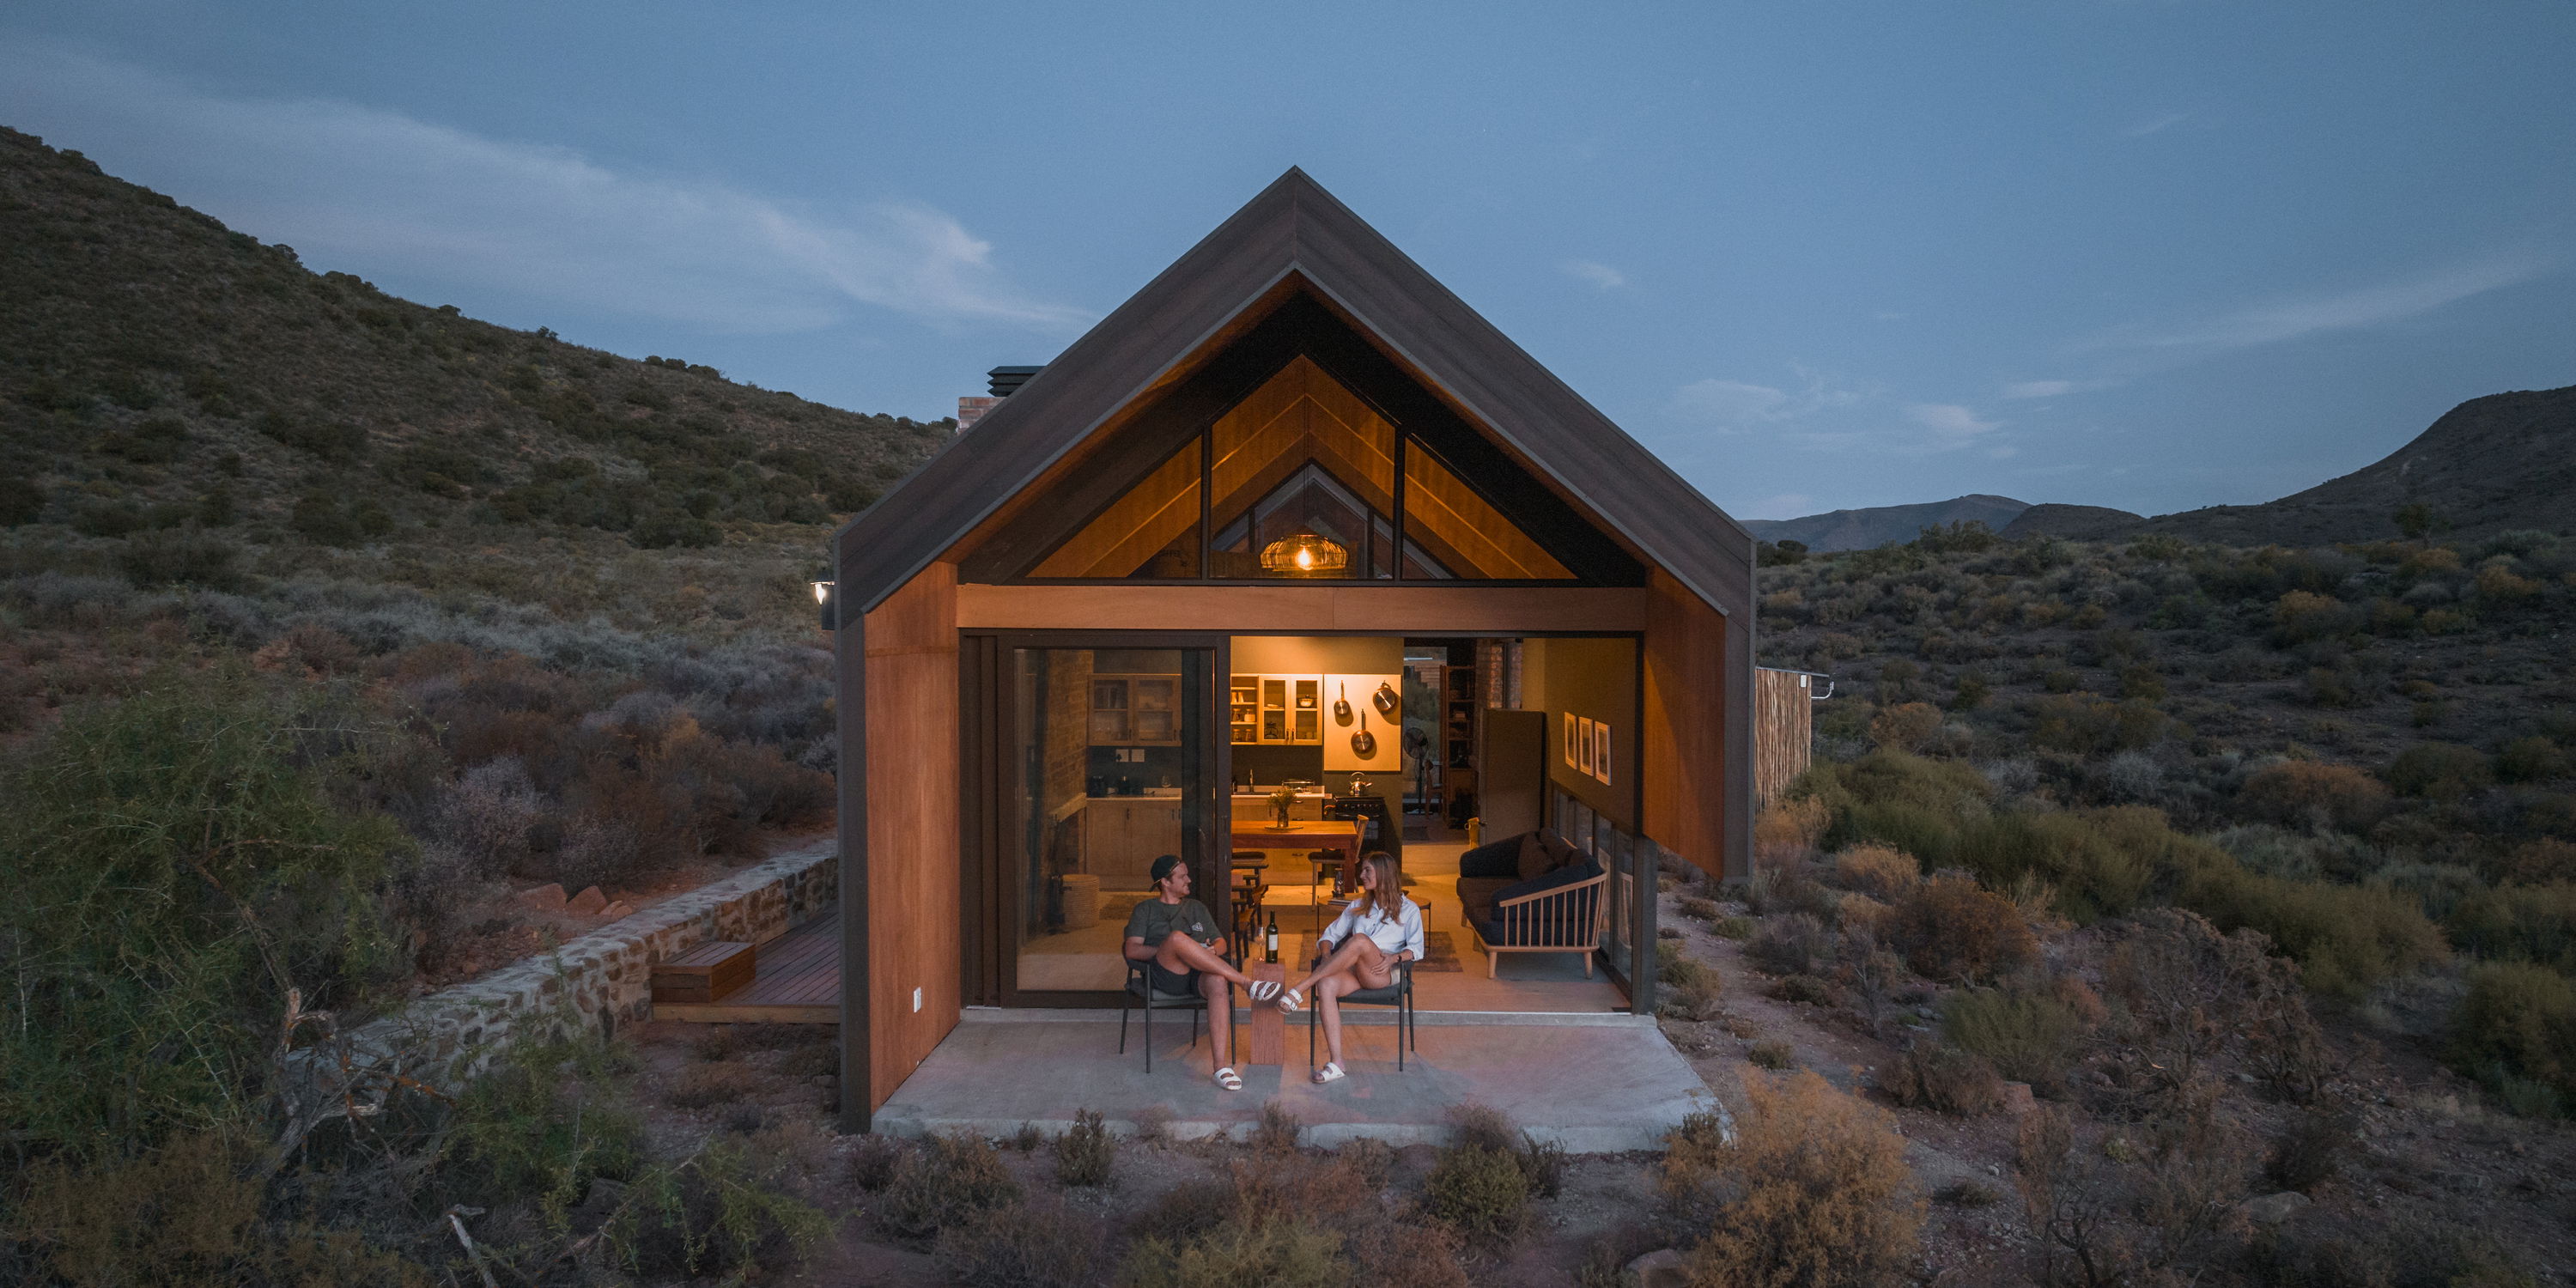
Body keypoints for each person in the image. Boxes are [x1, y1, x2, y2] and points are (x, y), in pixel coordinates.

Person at [1123, 853, 1279, 1090]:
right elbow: (1132, 950)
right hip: (1167, 975)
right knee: (1177, 939)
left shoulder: (1196, 908)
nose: (1189, 880)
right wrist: (1176, 949)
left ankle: (1220, 1067)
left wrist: (1209, 953)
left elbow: (1221, 943)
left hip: (1199, 975)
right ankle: (1247, 984)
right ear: (1165, 882)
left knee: (1217, 981)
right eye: (1182, 876)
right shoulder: (1145, 909)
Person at [1278, 851, 1422, 1084]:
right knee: (1326, 983)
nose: (1361, 875)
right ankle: (1336, 1062)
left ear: (1383, 875)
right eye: (1362, 870)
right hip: (1357, 973)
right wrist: (1326, 955)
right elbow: (1329, 936)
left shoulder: (1409, 909)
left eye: (1368, 871)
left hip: (1383, 973)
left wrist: (1394, 958)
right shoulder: (1358, 906)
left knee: (1360, 940)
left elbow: (1417, 949)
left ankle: (1300, 988)